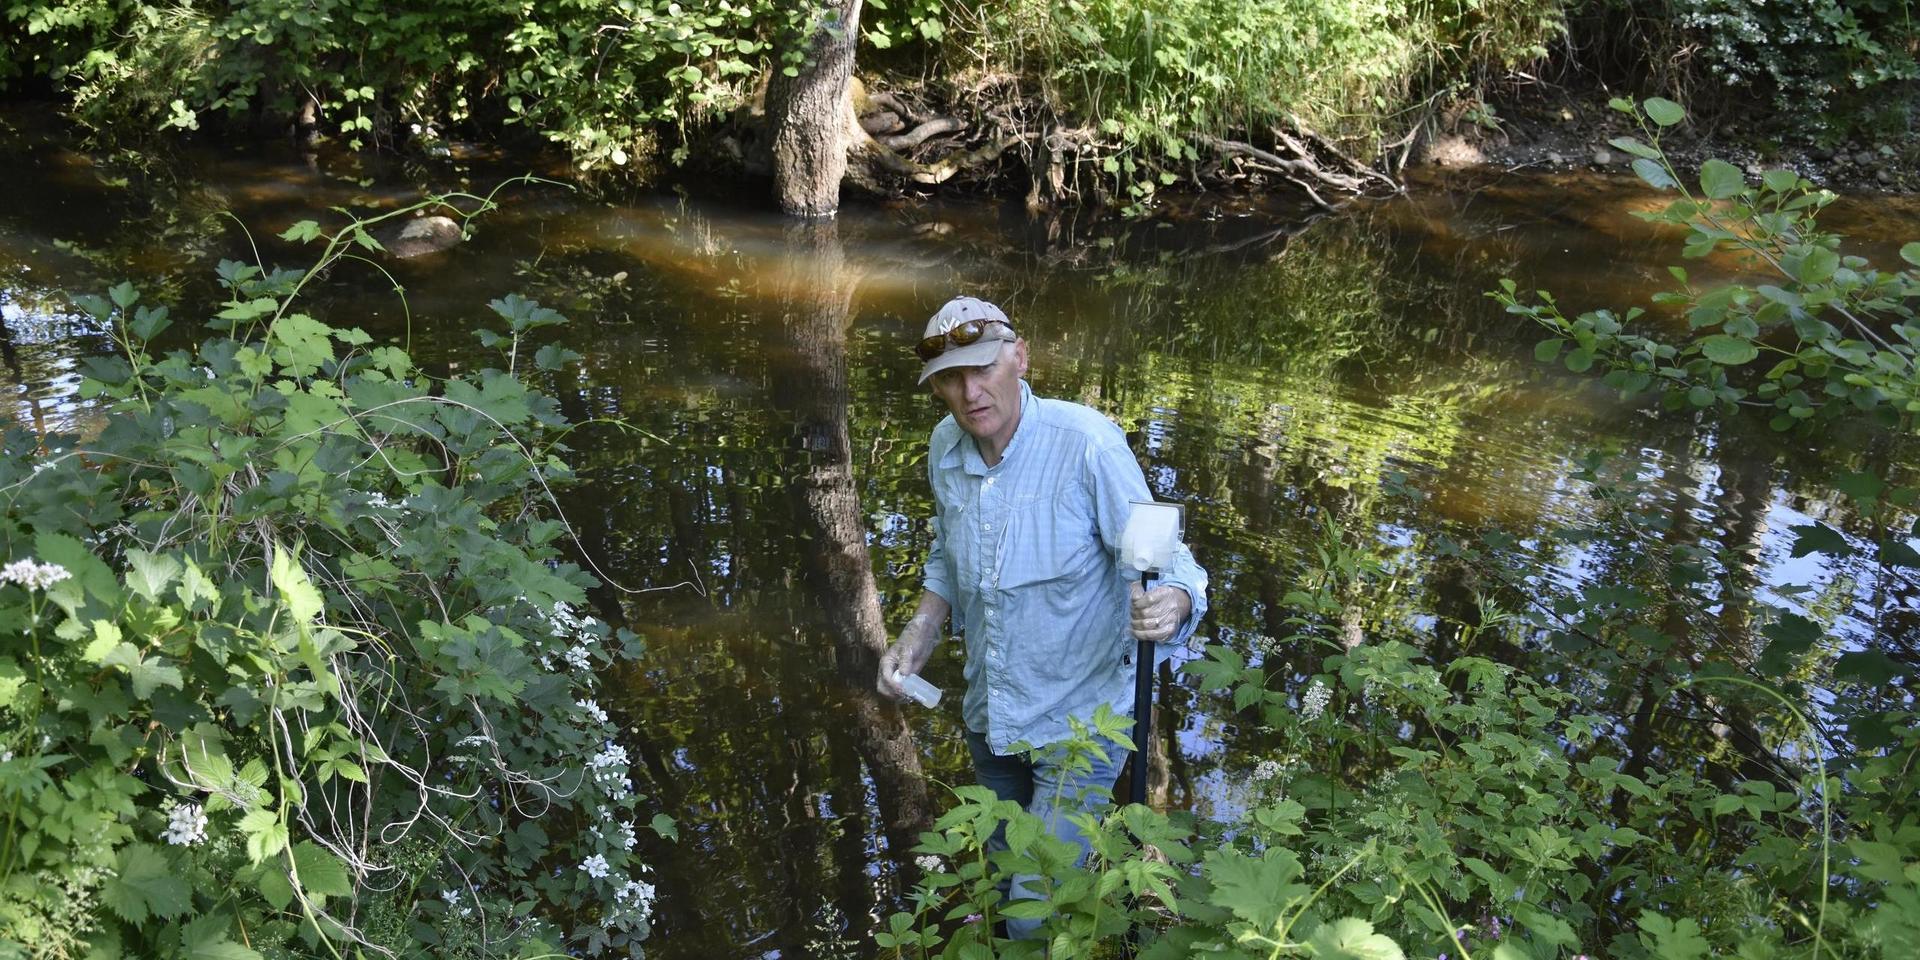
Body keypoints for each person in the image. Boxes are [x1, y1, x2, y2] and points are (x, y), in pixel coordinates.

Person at [875, 295, 1208, 937]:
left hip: (1082, 723)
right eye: (950, 378)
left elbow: (1174, 567)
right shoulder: (946, 445)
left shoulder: (1087, 445)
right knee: (1002, 887)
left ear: (1020, 358)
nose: (970, 392)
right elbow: (948, 554)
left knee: (1036, 907)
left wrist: (1177, 602)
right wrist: (918, 634)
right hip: (992, 716)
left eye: (983, 369)